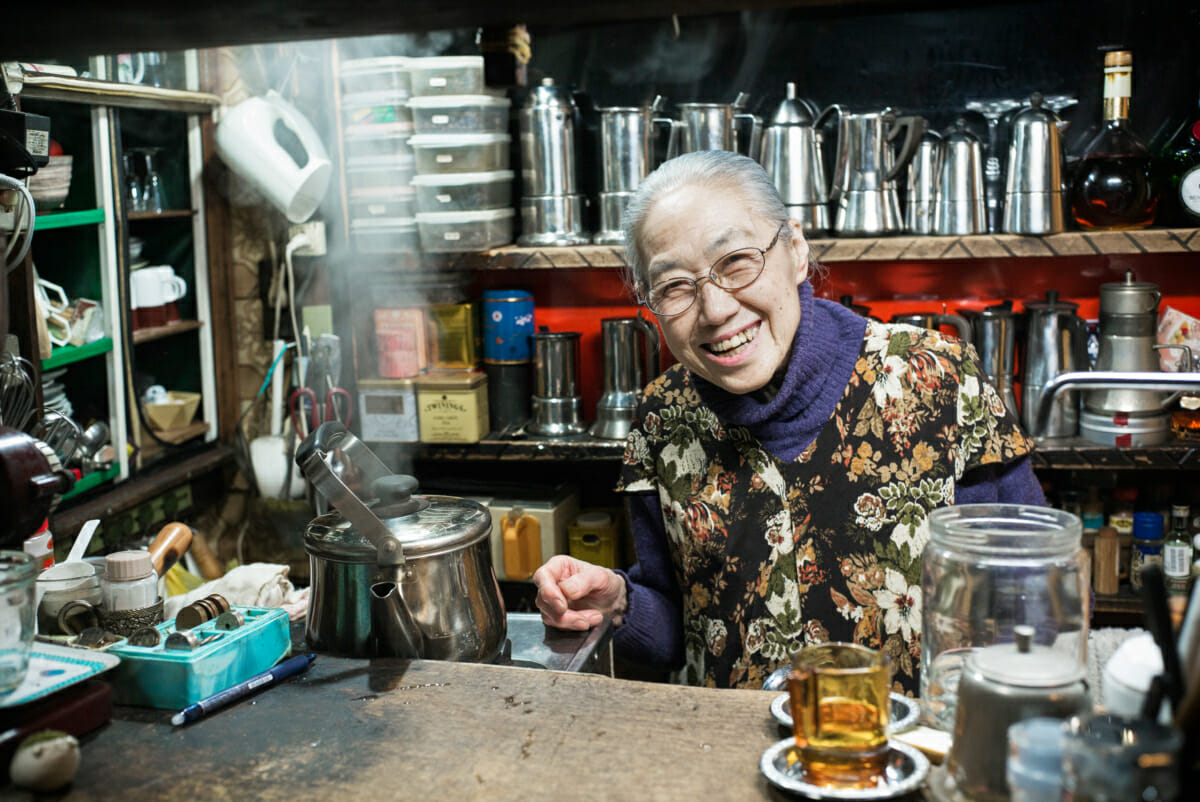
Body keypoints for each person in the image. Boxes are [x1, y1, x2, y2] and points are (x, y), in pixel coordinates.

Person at [532, 150, 1045, 693]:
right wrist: (618, 603)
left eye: (735, 262)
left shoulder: (934, 377)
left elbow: (1030, 592)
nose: (715, 310)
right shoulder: (665, 418)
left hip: (906, 752)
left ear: (796, 251)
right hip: (731, 753)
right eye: (675, 287)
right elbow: (679, 629)